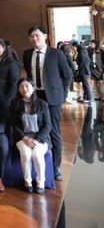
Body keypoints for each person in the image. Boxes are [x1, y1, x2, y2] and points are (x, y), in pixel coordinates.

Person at [23, 25, 73, 180]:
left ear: (45, 36)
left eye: (37, 35)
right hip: (35, 96)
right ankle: (39, 163)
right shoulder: (27, 54)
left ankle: (56, 167)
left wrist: (62, 95)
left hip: (53, 97)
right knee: (38, 128)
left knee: (53, 130)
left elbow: (67, 75)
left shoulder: (56, 53)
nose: (34, 39)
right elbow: (29, 75)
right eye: (31, 36)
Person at [10, 78, 52, 194]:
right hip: (22, 137)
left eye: (27, 86)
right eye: (21, 87)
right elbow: (13, 124)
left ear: (33, 88)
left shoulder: (42, 104)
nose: (24, 89)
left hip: (40, 138)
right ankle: (27, 181)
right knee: (26, 154)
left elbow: (48, 125)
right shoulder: (15, 104)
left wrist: (37, 139)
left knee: (37, 154)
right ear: (18, 90)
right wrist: (24, 138)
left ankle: (41, 182)